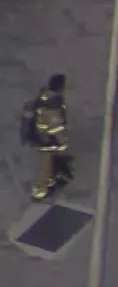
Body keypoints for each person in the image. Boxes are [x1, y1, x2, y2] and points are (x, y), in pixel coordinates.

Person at [21, 74, 73, 202]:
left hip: (47, 141)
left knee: (52, 170)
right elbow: (52, 123)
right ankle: (39, 193)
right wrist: (60, 141)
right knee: (47, 169)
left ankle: (42, 192)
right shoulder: (52, 101)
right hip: (47, 142)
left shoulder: (46, 98)